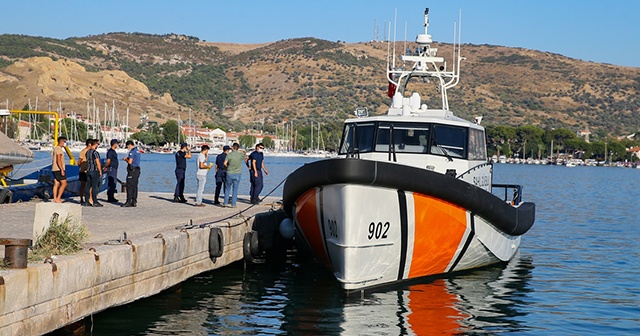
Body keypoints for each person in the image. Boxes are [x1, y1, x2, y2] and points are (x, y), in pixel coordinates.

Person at [223, 143, 244, 208]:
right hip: (238, 173)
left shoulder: (229, 155)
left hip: (229, 172)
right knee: (235, 189)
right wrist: (242, 152)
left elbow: (225, 163)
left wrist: (227, 167)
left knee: (227, 188)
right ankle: (233, 204)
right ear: (238, 148)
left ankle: (225, 203)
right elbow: (246, 156)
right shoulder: (240, 155)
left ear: (232, 147)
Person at [84, 139, 103, 207]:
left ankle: (86, 201)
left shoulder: (87, 152)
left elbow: (87, 162)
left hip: (89, 170)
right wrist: (100, 171)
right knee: (94, 186)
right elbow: (98, 162)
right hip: (94, 171)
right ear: (95, 144)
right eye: (97, 144)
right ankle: (95, 201)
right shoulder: (95, 153)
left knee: (88, 186)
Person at [121, 140, 141, 207]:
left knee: (129, 185)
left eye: (127, 146)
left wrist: (125, 159)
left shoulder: (132, 152)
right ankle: (134, 200)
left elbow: (130, 162)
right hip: (137, 170)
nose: (127, 148)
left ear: (129, 145)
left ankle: (128, 201)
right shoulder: (137, 151)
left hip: (132, 170)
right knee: (135, 186)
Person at [51, 136, 68, 203]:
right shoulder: (59, 149)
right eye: (64, 142)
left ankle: (55, 198)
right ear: (62, 142)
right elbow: (58, 160)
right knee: (64, 183)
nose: (65, 144)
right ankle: (58, 197)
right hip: (58, 169)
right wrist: (62, 169)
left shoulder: (55, 148)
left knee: (57, 183)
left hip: (54, 168)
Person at [77, 139, 92, 204]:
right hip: (83, 171)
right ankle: (81, 198)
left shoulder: (92, 151)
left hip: (89, 170)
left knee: (90, 185)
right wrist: (82, 166)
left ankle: (90, 198)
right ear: (89, 144)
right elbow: (79, 161)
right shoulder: (83, 151)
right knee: (83, 185)